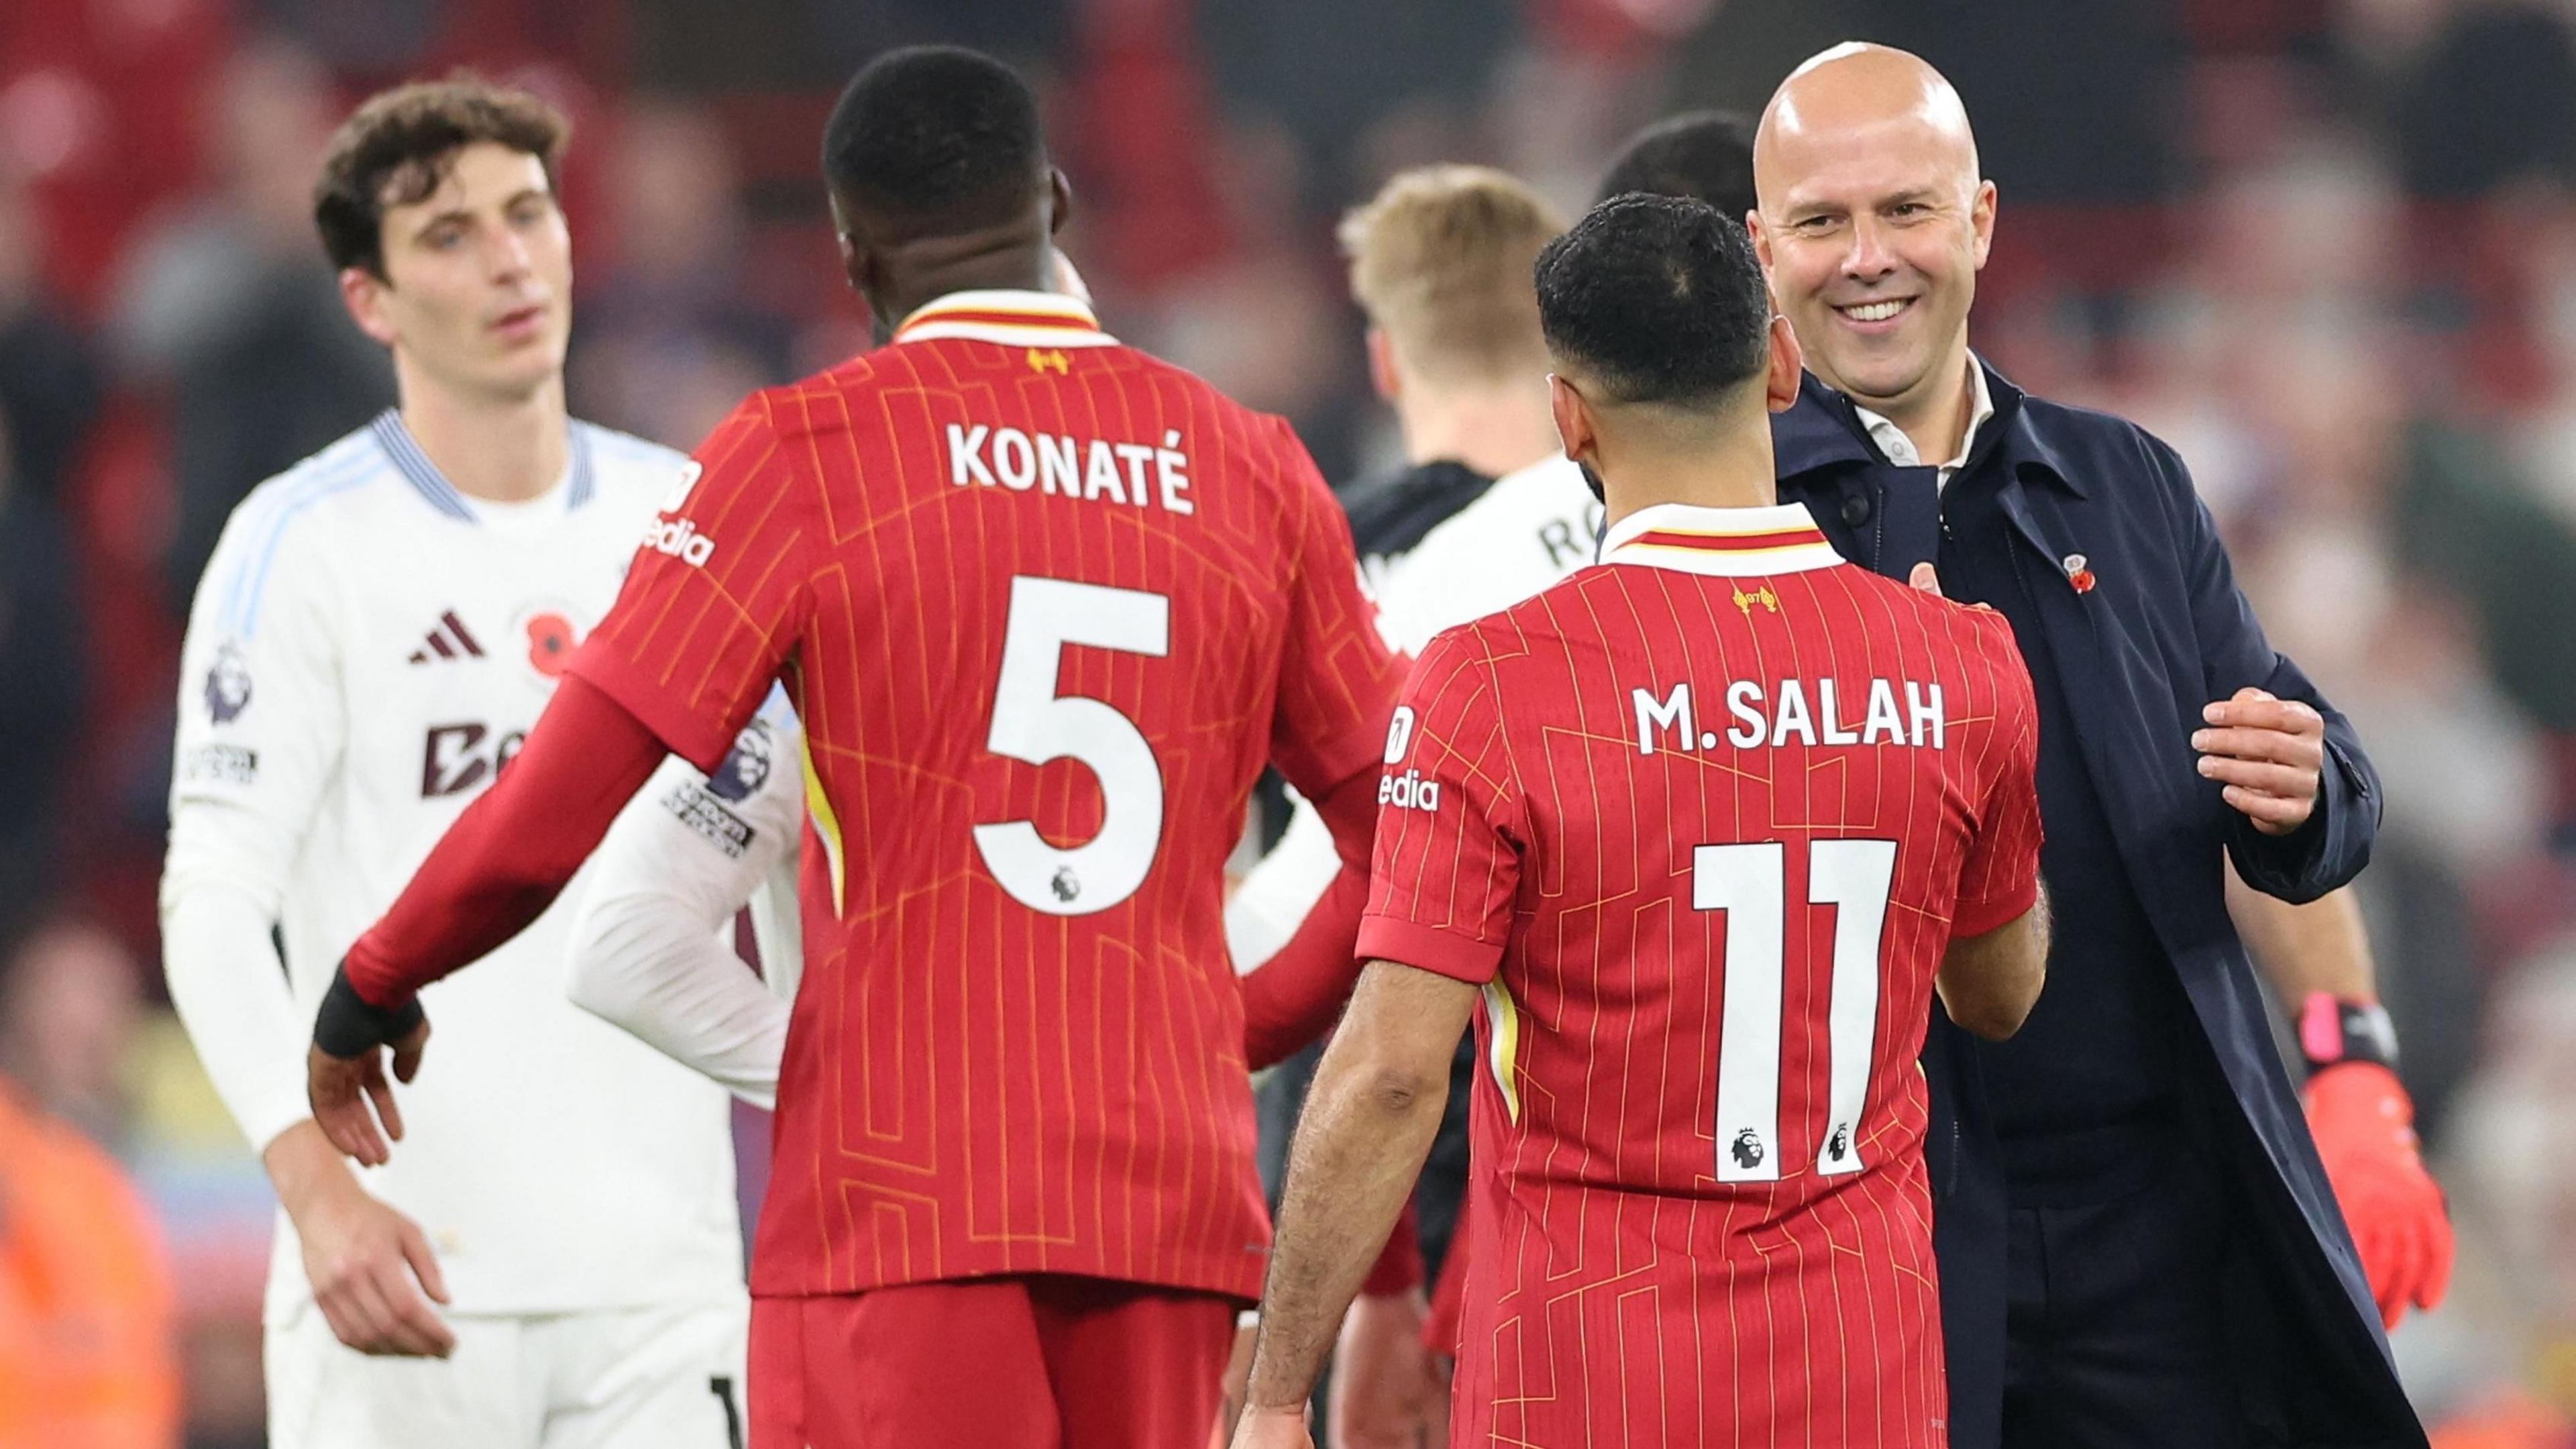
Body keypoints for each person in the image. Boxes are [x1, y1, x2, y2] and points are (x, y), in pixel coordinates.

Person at [301, 46, 1408, 1449]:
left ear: (848, 255)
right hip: (1171, 1210)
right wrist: (1241, 1018)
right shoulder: (1251, 464)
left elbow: (560, 806)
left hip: (899, 1206)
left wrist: (377, 977)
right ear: (1054, 204)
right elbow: (1413, 837)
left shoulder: (807, 452)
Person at [1233, 192, 2051, 1448]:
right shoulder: (1959, 663)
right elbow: (1996, 996)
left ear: (1568, 416)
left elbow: (1395, 1074)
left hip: (1588, 1374)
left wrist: (1282, 1392)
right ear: (1782, 360)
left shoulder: (1495, 683)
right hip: (1863, 1376)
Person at [1749, 42, 2440, 1447]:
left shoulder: (2125, 481)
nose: (1868, 258)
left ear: (1984, 223)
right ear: (1763, 252)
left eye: (1909, 210)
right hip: (1873, 1234)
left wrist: (2306, 795)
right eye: (1822, 223)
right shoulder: (1725, 521)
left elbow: (2307, 777)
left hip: (2166, 1224)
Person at [159, 78, 751, 1449]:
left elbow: (782, 860)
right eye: (447, 234)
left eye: (528, 215)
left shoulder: (694, 520)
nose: (506, 258)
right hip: (402, 1287)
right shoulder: (301, 543)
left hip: (662, 1299)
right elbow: (212, 897)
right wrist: (315, 1193)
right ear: (369, 300)